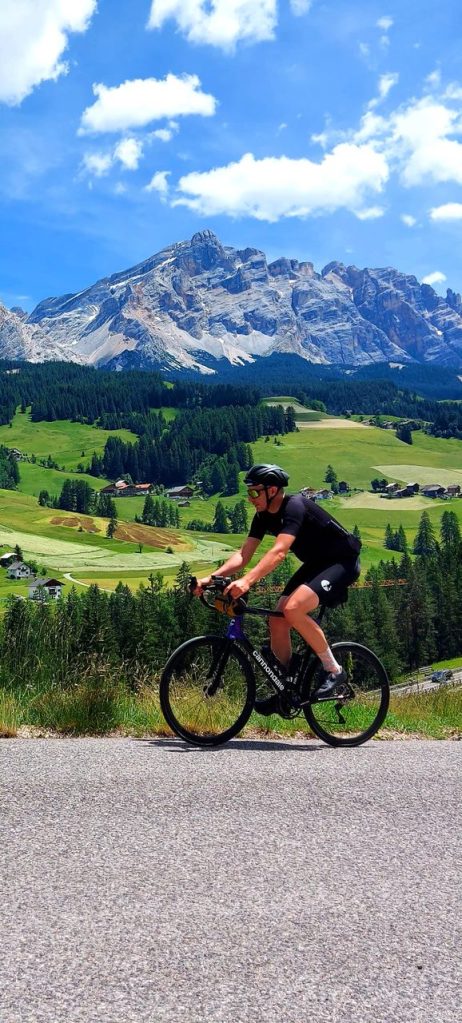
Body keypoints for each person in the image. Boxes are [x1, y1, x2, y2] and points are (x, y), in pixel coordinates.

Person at [194, 463, 361, 711]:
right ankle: (286, 690)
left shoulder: (294, 507)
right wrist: (210, 578)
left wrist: (247, 581)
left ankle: (334, 670)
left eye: (254, 492)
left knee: (293, 609)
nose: (250, 498)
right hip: (317, 564)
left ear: (272, 490)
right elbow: (243, 555)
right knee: (277, 620)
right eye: (248, 493)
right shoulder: (262, 516)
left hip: (342, 562)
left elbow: (280, 551)